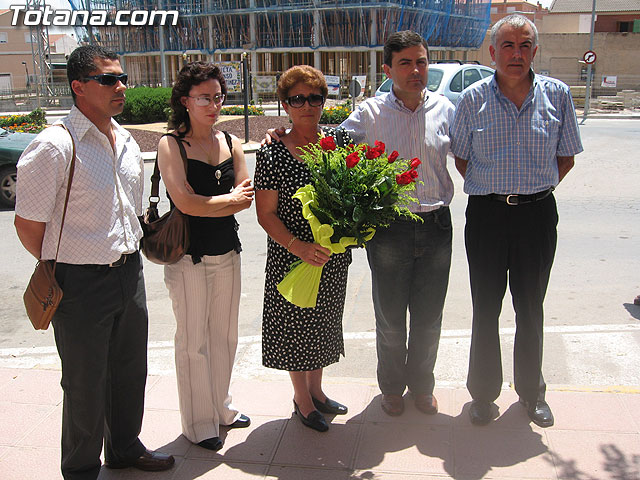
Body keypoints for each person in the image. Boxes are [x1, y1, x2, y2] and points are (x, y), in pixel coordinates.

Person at [266, 32, 454, 418]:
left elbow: (468, 155)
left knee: (429, 315)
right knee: (388, 317)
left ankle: (422, 386)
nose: (415, 70)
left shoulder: (446, 109)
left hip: (436, 224)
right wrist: (277, 131)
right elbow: (309, 147)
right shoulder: (368, 114)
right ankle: (390, 390)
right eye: (405, 62)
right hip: (388, 230)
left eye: (421, 61)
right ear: (388, 70)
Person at [14, 45, 174, 479]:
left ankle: (123, 448)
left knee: (128, 371)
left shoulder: (124, 139)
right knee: (85, 384)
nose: (120, 86)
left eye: (122, 78)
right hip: (79, 283)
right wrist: (68, 261)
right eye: (108, 79)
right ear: (79, 87)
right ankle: (81, 468)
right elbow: (28, 225)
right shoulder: (53, 145)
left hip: (128, 272)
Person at [450, 14, 583, 428]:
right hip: (487, 216)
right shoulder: (472, 99)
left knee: (531, 307)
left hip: (537, 215)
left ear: (535, 52)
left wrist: (534, 189)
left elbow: (567, 156)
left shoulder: (557, 95)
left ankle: (531, 393)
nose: (516, 53)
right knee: (485, 308)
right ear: (492, 52)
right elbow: (461, 157)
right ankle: (484, 395)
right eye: (507, 45)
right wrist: (498, 189)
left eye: (524, 46)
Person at [157, 61, 254, 451]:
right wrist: (225, 201)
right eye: (204, 98)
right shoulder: (171, 144)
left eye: (218, 97)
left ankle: (221, 408)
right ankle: (199, 423)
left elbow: (244, 201)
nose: (213, 105)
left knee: (224, 337)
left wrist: (216, 203)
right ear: (185, 100)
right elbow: (183, 201)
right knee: (193, 341)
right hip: (188, 259)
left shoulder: (230, 143)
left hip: (227, 252)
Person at [254, 65, 351, 433]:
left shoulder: (338, 144)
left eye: (315, 97)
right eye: (298, 99)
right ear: (285, 104)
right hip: (291, 254)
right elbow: (265, 214)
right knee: (296, 327)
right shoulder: (273, 152)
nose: (307, 105)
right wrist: (299, 247)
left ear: (324, 102)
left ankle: (318, 391)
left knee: (322, 323)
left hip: (329, 255)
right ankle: (302, 398)